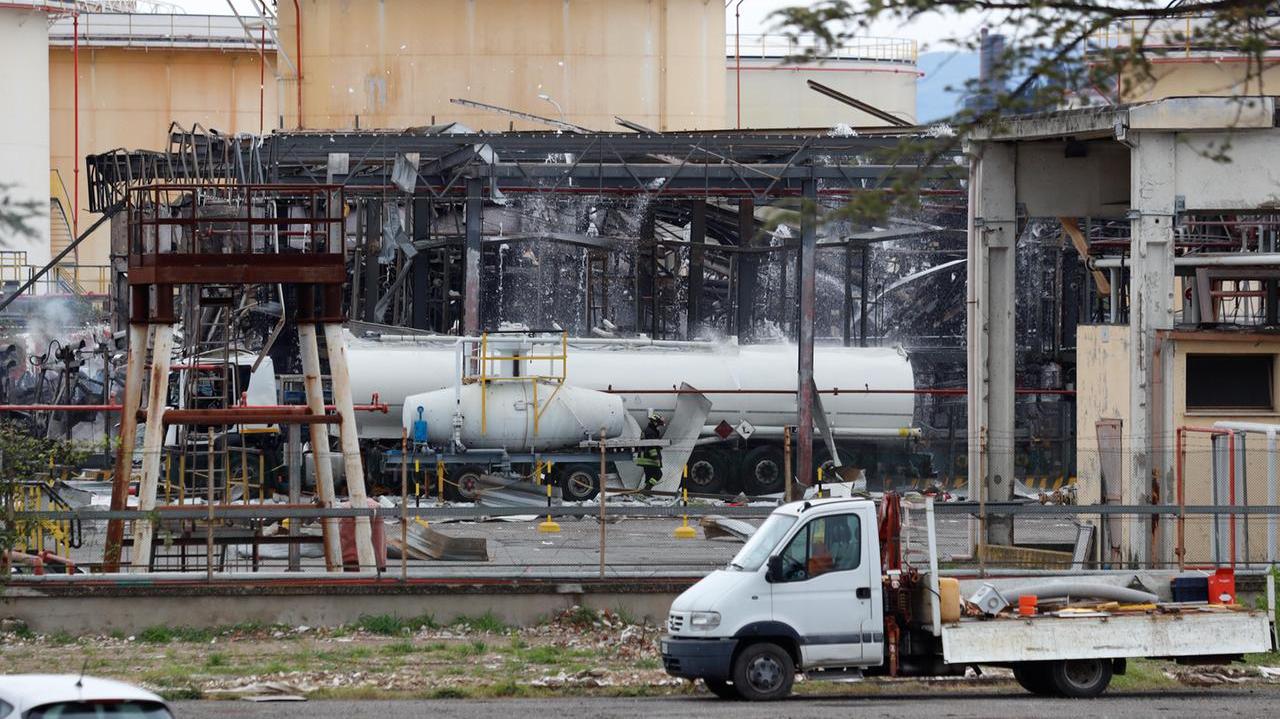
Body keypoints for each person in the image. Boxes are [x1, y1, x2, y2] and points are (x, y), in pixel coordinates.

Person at [636, 413, 665, 488]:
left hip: (645, 457)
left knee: (649, 477)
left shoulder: (649, 430)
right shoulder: (650, 432)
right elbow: (651, 447)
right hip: (649, 458)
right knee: (658, 474)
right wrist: (656, 458)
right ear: (655, 422)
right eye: (658, 424)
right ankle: (647, 490)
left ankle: (646, 492)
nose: (659, 426)